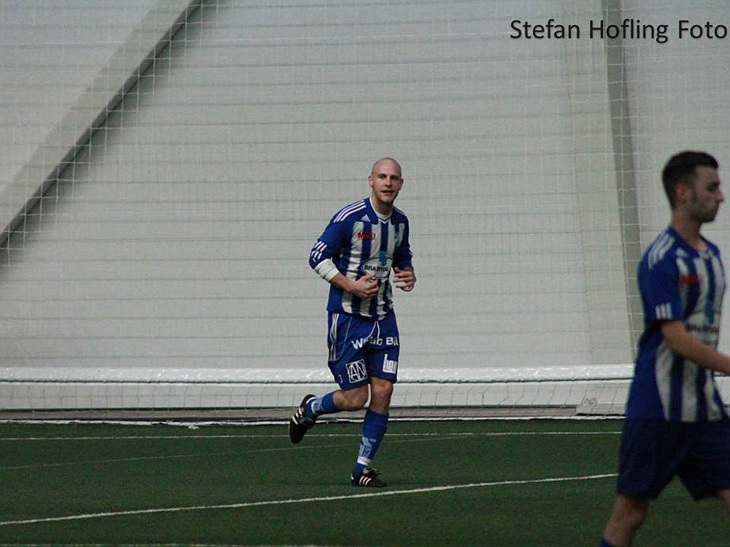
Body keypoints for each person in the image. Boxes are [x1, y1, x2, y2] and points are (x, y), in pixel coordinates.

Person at [599, 151, 730, 546]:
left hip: (704, 408)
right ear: (682, 192)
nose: (721, 196)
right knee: (631, 512)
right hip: (657, 409)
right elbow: (675, 338)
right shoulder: (661, 259)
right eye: (712, 187)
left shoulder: (712, 257)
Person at [288, 157, 416, 488]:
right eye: (382, 177)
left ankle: (361, 469)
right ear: (371, 181)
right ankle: (311, 408)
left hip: (383, 319)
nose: (388, 183)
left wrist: (408, 274)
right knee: (356, 398)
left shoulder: (400, 223)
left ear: (401, 185)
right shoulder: (350, 218)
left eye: (394, 178)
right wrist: (351, 286)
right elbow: (317, 256)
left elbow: (402, 257)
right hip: (347, 320)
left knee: (384, 390)